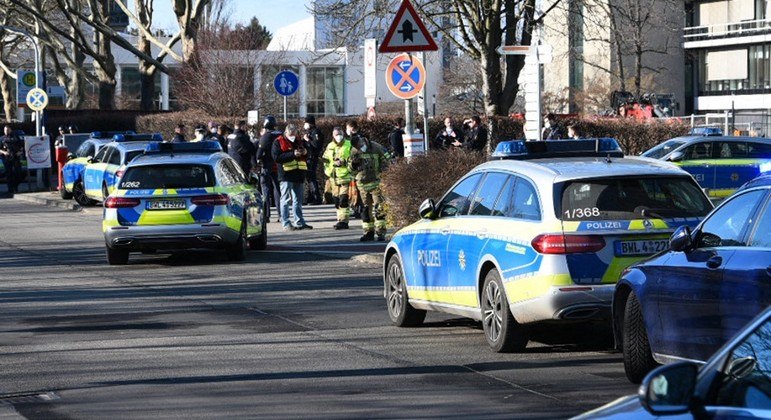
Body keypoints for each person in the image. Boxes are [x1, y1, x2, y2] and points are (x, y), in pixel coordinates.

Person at [272, 123, 312, 231]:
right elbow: (276, 157)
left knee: (298, 200)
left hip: (298, 174)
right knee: (285, 200)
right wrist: (293, 154)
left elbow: (309, 151)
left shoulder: (299, 141)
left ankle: (299, 222)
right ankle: (286, 223)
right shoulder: (278, 142)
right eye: (290, 134)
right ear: (286, 132)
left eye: (294, 134)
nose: (292, 136)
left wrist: (305, 152)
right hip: (286, 175)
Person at [349, 135, 389, 242]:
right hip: (362, 185)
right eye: (357, 147)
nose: (360, 148)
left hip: (376, 183)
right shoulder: (354, 151)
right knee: (365, 210)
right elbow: (350, 169)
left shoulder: (376, 147)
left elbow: (388, 161)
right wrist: (354, 164)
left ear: (362, 141)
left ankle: (381, 232)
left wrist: (383, 174)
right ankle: (368, 232)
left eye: (360, 146)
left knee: (379, 207)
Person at [323, 126, 353, 229]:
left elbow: (354, 159)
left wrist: (344, 163)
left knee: (343, 200)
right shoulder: (330, 146)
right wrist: (328, 171)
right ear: (333, 135)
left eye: (340, 134)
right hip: (333, 178)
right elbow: (325, 160)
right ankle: (340, 219)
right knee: (336, 200)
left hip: (345, 177)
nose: (338, 136)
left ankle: (344, 221)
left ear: (343, 134)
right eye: (336, 135)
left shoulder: (349, 145)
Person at [256, 116, 281, 222]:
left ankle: (266, 215)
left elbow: (259, 153)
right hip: (278, 165)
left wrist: (258, 160)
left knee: (265, 189)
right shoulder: (280, 135)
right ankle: (281, 214)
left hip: (266, 165)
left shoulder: (265, 136)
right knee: (278, 189)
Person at [302, 116, 324, 205]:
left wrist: (307, 140)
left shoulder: (316, 132)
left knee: (311, 177)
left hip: (312, 157)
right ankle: (310, 198)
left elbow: (316, 145)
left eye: (305, 123)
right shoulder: (310, 132)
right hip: (308, 157)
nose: (304, 125)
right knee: (309, 177)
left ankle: (316, 198)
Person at [0, 125, 23, 196]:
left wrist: (20, 152)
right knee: (9, 174)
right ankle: (11, 189)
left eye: (7, 130)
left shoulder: (16, 137)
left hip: (15, 157)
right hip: (6, 158)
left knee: (19, 173)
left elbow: (22, 146)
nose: (6, 131)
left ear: (10, 130)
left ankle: (15, 185)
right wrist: (4, 152)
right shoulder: (2, 138)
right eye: (5, 130)